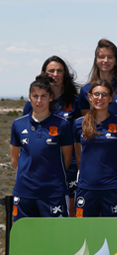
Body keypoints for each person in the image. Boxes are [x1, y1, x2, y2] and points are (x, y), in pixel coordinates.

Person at [10, 75, 74, 220]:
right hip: (25, 193)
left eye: (43, 96)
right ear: (29, 98)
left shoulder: (62, 125)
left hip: (54, 193)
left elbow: (67, 158)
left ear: (50, 97)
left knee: (56, 238)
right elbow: (15, 160)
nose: (39, 101)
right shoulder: (18, 124)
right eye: (35, 96)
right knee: (25, 238)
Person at [22, 56, 81, 207]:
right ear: (44, 73)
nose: (55, 74)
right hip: (42, 167)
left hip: (70, 165)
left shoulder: (75, 101)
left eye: (59, 71)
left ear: (65, 73)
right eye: (51, 71)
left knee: (70, 210)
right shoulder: (34, 104)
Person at [73, 79, 117, 217]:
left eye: (105, 95)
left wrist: (113, 176)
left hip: (112, 188)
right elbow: (79, 157)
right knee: (85, 234)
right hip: (86, 188)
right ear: (90, 97)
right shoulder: (79, 124)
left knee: (115, 234)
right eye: (96, 94)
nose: (100, 98)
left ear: (111, 98)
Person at [79, 39, 117, 118]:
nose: (105, 60)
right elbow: (86, 121)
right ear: (96, 60)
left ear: (116, 60)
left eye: (110, 57)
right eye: (101, 57)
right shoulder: (85, 89)